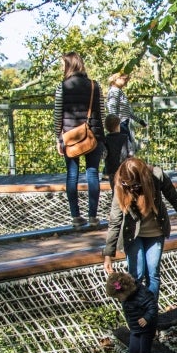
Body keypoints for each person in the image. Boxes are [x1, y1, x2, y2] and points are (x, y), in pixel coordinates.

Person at [102, 157, 177, 296]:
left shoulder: (156, 175)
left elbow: (173, 197)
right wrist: (108, 254)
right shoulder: (121, 185)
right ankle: (135, 312)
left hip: (156, 232)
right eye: (127, 185)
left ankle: (150, 313)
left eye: (135, 185)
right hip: (133, 234)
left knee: (153, 273)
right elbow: (115, 220)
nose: (131, 189)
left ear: (143, 179)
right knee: (136, 274)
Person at [52, 52, 105, 228]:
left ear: (68, 65)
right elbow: (101, 113)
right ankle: (93, 217)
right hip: (93, 135)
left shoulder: (62, 86)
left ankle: (75, 216)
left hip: (70, 136)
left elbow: (58, 114)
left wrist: (58, 138)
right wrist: (101, 136)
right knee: (92, 173)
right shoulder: (94, 86)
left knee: (72, 175)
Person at [106, 271, 160, 353]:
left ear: (124, 290)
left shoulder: (143, 294)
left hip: (146, 328)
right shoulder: (126, 297)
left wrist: (146, 318)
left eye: (118, 297)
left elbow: (153, 307)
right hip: (135, 328)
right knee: (133, 350)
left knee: (145, 351)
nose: (119, 300)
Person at [106, 72, 147, 153]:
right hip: (119, 125)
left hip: (123, 123)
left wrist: (140, 121)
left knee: (127, 148)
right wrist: (114, 125)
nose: (126, 82)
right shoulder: (114, 91)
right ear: (116, 78)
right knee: (126, 150)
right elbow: (112, 107)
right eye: (124, 79)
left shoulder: (119, 91)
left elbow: (127, 112)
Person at [102, 113, 134, 193]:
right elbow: (131, 152)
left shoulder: (105, 139)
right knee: (126, 189)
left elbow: (104, 155)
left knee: (115, 190)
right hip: (124, 168)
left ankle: (115, 203)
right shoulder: (125, 138)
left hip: (111, 170)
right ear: (118, 126)